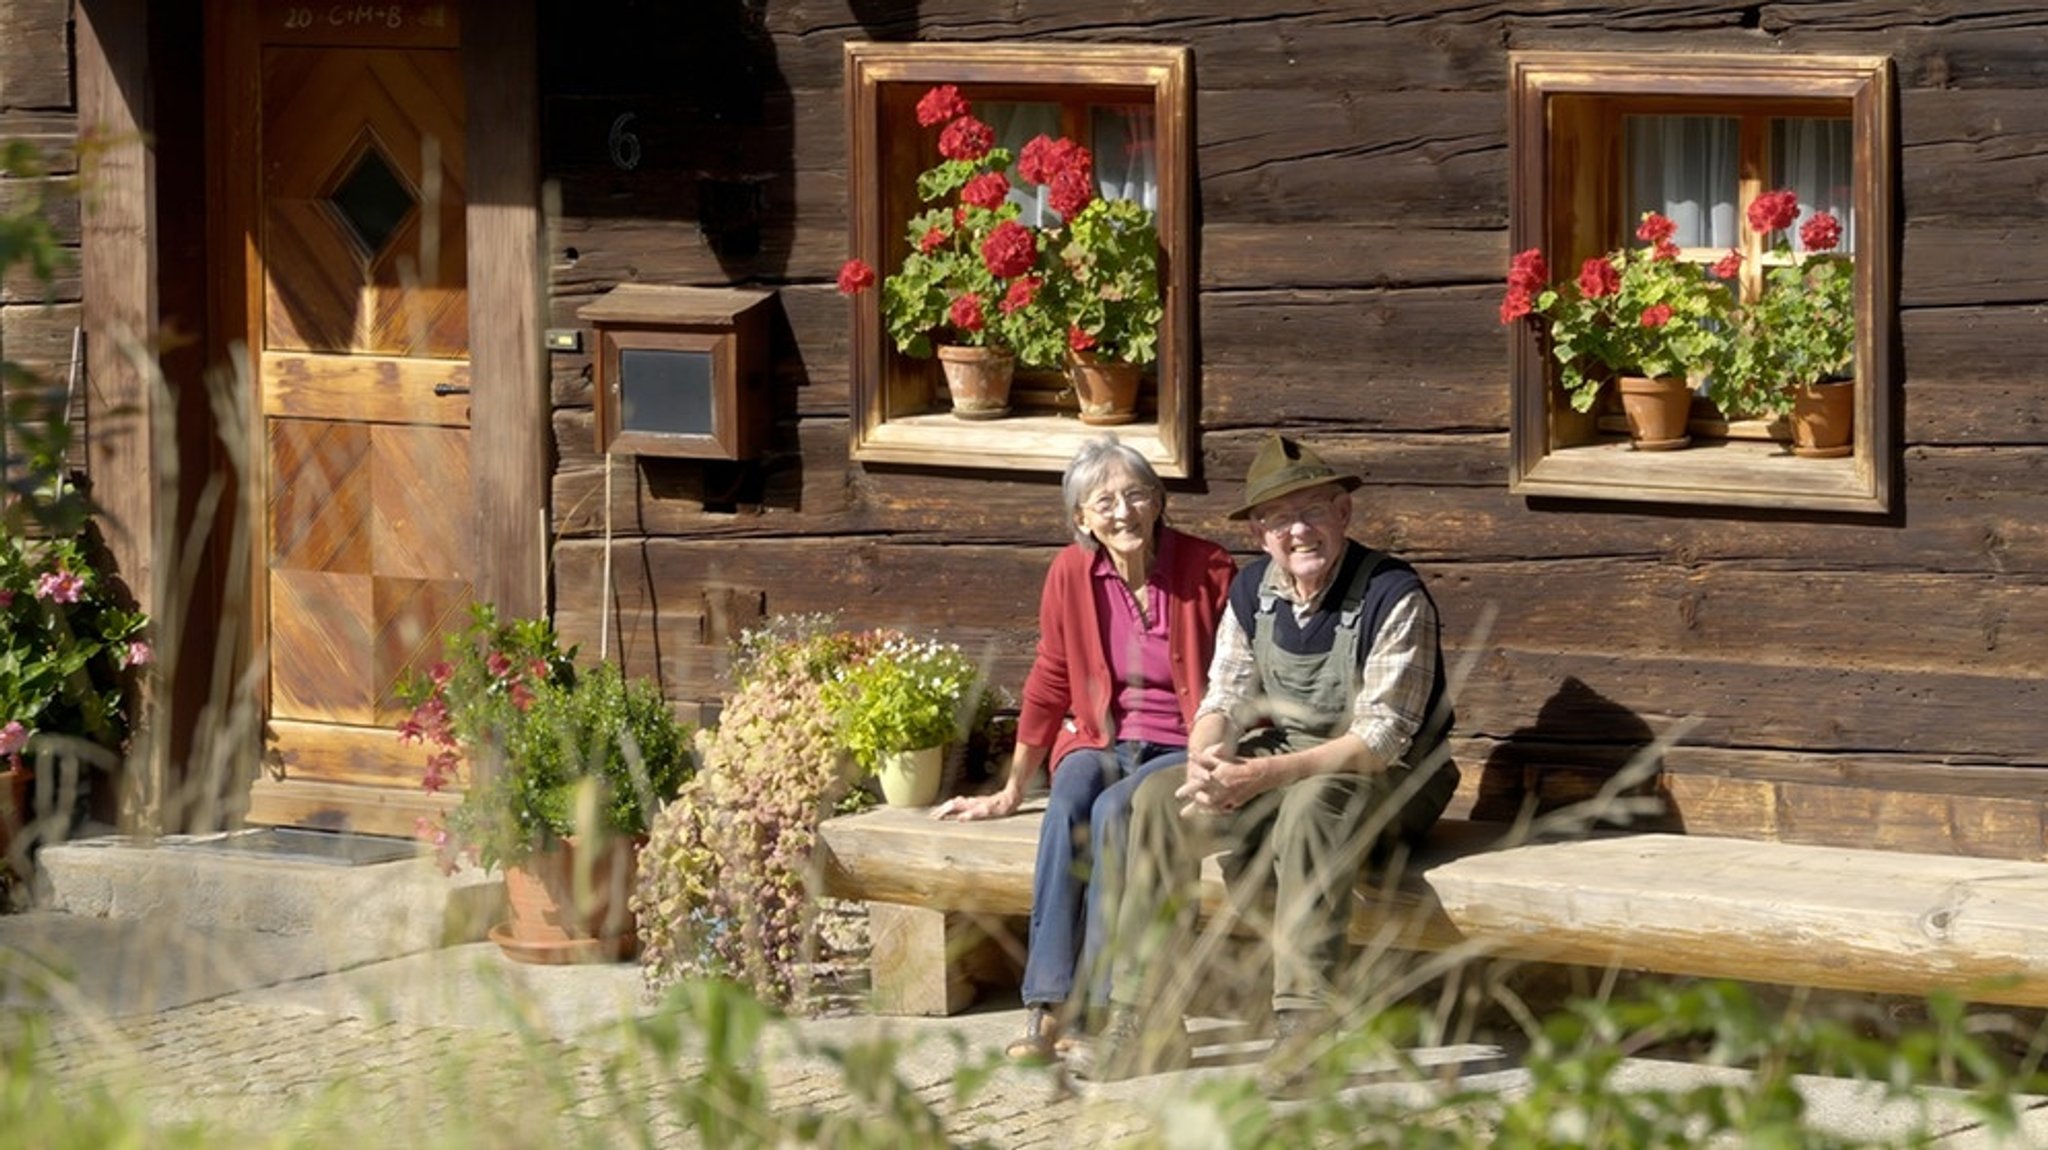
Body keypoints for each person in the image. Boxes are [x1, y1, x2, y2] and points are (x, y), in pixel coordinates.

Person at [1093, 433, 1459, 1084]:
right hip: (1285, 758)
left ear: (1344, 513)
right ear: (1259, 533)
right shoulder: (1253, 590)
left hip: (1394, 777)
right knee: (1155, 800)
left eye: (1313, 510)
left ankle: (1305, 1030)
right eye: (1278, 519)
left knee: (1311, 806)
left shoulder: (1392, 594)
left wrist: (1264, 774)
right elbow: (1225, 697)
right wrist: (1209, 762)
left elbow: (1381, 739)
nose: (1298, 530)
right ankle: (1144, 1016)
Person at [934, 434, 1235, 1062]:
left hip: (1183, 743)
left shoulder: (1208, 568)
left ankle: (1098, 1007)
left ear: (1159, 502)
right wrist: (1014, 787)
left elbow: (1237, 667)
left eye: (1136, 495)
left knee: (1114, 812)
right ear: (1081, 518)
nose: (1123, 512)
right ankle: (1046, 1003)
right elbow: (1050, 678)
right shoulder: (1071, 573)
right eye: (1104, 502)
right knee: (1069, 800)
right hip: (1101, 737)